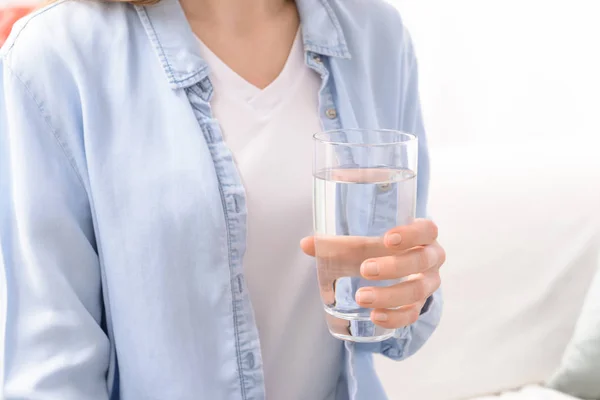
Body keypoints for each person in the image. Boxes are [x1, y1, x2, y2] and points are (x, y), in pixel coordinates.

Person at [0, 0, 446, 398]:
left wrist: (409, 292)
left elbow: (405, 318)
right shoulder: (55, 58)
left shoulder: (375, 33)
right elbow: (51, 368)